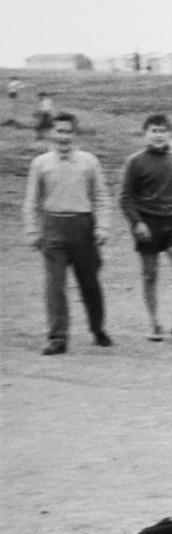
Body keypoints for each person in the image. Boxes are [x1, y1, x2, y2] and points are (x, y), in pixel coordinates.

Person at [22, 112, 112, 355]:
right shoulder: (40, 163)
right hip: (53, 226)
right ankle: (58, 336)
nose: (64, 137)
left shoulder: (88, 161)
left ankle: (97, 328)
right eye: (59, 131)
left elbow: (101, 196)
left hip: (83, 226)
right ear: (51, 133)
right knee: (55, 284)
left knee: (89, 282)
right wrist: (32, 229)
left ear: (75, 134)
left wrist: (102, 227)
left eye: (68, 132)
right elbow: (32, 201)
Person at [119, 114, 172, 345]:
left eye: (163, 131)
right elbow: (125, 198)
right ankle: (154, 323)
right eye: (154, 131)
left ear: (170, 135)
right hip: (147, 226)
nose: (159, 135)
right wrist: (137, 222)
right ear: (145, 134)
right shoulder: (135, 162)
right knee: (150, 275)